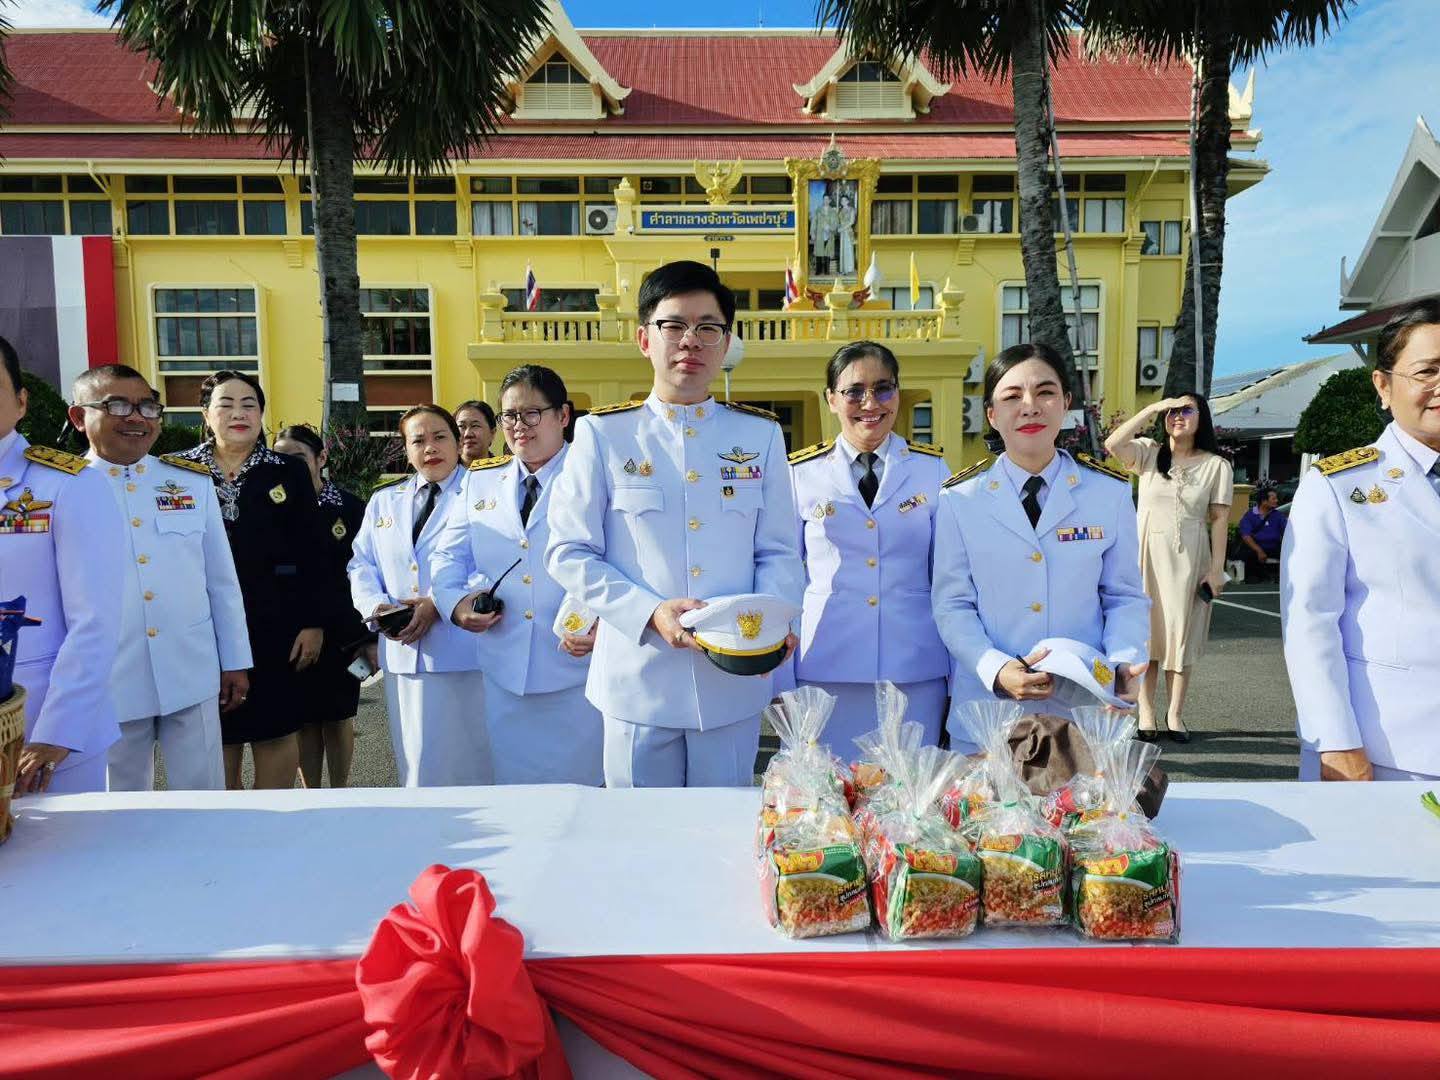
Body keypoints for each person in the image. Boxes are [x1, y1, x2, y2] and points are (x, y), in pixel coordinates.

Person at [546, 260, 804, 787]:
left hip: (730, 683)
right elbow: (568, 551)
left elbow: (778, 550)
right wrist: (648, 612)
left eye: (708, 327)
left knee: (723, 828)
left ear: (726, 343)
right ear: (645, 339)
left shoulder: (759, 436)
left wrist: (772, 620)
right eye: (674, 325)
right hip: (637, 679)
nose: (691, 340)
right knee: (638, 831)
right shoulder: (604, 435)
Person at [932, 342, 1149, 752]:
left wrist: (1123, 661)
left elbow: (1123, 596)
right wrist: (995, 668)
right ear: (991, 414)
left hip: (1085, 708)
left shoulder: (1108, 493)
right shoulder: (960, 499)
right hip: (988, 709)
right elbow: (952, 604)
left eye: (1045, 392)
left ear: (1065, 403)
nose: (1030, 407)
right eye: (1012, 396)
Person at [69, 365, 251, 791]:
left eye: (148, 407)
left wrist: (235, 660)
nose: (137, 418)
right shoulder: (64, 487)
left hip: (190, 667)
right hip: (107, 677)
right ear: (79, 417)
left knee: (204, 797)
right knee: (120, 802)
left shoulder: (188, 482)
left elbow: (221, 581)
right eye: (117, 405)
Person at [1283, 299, 1440, 782]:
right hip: (1391, 752)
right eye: (1428, 371)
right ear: (1383, 386)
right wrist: (1335, 742)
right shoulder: (1338, 486)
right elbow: (1310, 623)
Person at [432, 365, 603, 785]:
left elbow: (624, 559)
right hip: (505, 670)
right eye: (509, 415)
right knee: (516, 794)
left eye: (531, 414)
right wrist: (456, 604)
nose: (518, 426)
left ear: (563, 415)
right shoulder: (481, 482)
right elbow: (447, 557)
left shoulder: (595, 475)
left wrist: (605, 619)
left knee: (584, 794)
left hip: (579, 667)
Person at [787, 341, 950, 752]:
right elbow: (784, 574)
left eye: (883, 389)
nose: (870, 403)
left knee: (912, 784)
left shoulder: (932, 470)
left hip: (914, 666)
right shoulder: (801, 474)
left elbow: (949, 577)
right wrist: (779, 676)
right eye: (854, 391)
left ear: (898, 392)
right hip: (825, 664)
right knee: (826, 786)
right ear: (831, 399)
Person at [176, 371, 327, 789]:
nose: (239, 414)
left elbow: (314, 550)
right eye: (226, 405)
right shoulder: (178, 471)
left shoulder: (288, 471)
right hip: (201, 625)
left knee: (275, 729)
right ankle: (225, 821)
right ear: (205, 414)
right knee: (216, 733)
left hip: (277, 623)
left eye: (249, 405)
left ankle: (273, 820)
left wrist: (313, 622)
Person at [0, 336, 125, 795]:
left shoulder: (67, 486)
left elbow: (94, 620)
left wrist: (58, 732)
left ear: (21, 402)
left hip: (40, 734)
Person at [348, 405, 490, 787]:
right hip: (403, 653)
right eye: (418, 440)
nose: (430, 448)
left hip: (463, 653)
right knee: (416, 763)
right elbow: (361, 563)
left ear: (457, 441)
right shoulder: (384, 501)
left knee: (471, 762)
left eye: (440, 437)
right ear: (406, 449)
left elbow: (496, 563)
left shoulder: (485, 493)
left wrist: (439, 604)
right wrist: (376, 607)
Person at [1105, 392, 1233, 742]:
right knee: (1147, 639)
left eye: (1187, 410)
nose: (1178, 416)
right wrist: (1151, 408)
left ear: (1201, 418)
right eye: (1172, 411)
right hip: (1145, 557)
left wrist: (1216, 570)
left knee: (1181, 639)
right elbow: (1113, 444)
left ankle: (1175, 713)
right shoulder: (1148, 453)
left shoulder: (1217, 466)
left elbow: (1220, 519)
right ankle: (1146, 712)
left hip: (1190, 559)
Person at [273, 424, 370, 789]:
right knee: (304, 720)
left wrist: (367, 638)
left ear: (321, 458)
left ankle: (340, 791)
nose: (288, 465)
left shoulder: (350, 507)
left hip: (344, 633)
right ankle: (312, 794)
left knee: (339, 717)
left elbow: (365, 571)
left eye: (298, 457)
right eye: (280, 457)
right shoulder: (273, 506)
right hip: (291, 631)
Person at [1237, 484, 1287, 584]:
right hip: (1255, 547)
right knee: (1249, 554)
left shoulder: (1278, 515)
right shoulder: (1250, 515)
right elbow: (1246, 535)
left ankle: (1281, 577)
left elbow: (1286, 531)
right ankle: (1253, 579)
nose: (1276, 501)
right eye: (1273, 499)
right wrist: (1259, 550)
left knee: (1288, 554)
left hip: (1273, 547)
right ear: (1264, 501)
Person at [455, 400, 497, 467]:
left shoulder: (506, 471)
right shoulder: (444, 471)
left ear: (492, 433)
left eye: (475, 426)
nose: (467, 434)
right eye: (461, 426)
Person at [837, 193, 857, 278]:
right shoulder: (840, 211)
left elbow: (852, 222)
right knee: (843, 250)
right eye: (842, 200)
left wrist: (843, 228)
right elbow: (839, 222)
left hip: (848, 231)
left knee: (848, 249)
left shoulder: (852, 210)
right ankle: (843, 269)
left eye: (845, 200)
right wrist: (839, 228)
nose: (843, 202)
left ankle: (849, 269)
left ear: (848, 201)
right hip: (842, 232)